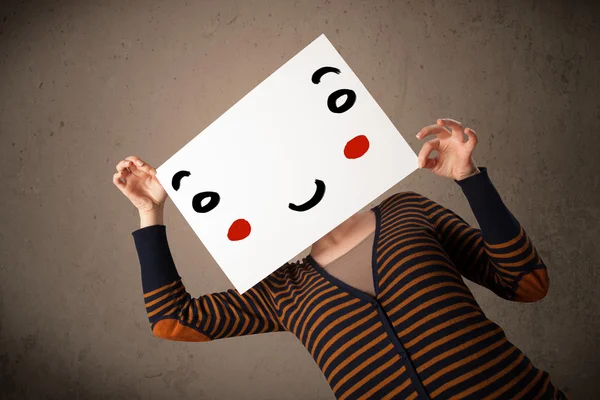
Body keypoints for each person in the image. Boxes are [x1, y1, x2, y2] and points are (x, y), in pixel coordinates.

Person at [113, 118, 567, 399]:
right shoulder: (281, 290)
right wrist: (150, 211)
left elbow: (526, 282)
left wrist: (469, 178)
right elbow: (172, 320)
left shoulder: (408, 209)